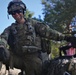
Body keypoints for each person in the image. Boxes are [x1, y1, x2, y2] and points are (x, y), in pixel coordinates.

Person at [0, 0, 71, 75]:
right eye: (13, 13)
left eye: (18, 11)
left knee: (33, 66)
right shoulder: (10, 29)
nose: (16, 14)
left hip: (33, 58)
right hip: (17, 58)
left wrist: (67, 38)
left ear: (23, 11)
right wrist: (1, 46)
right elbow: (3, 38)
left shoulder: (34, 24)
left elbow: (49, 32)